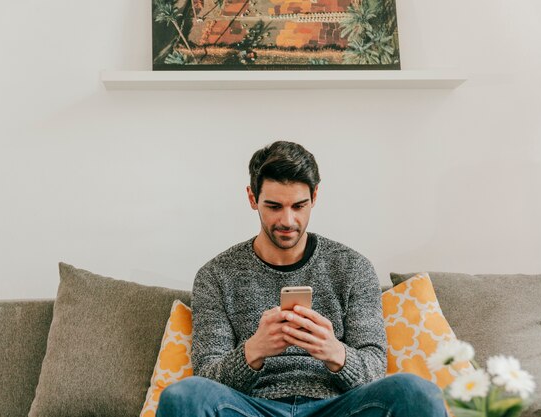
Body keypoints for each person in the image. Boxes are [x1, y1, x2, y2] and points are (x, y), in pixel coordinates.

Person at [156, 141, 446, 417]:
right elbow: (207, 376)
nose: (287, 221)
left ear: (315, 197)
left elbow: (373, 370)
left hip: (336, 408)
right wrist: (254, 351)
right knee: (182, 396)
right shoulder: (216, 275)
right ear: (252, 198)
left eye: (298, 206)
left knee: (417, 392)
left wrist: (335, 353)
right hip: (252, 408)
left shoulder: (353, 268)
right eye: (274, 207)